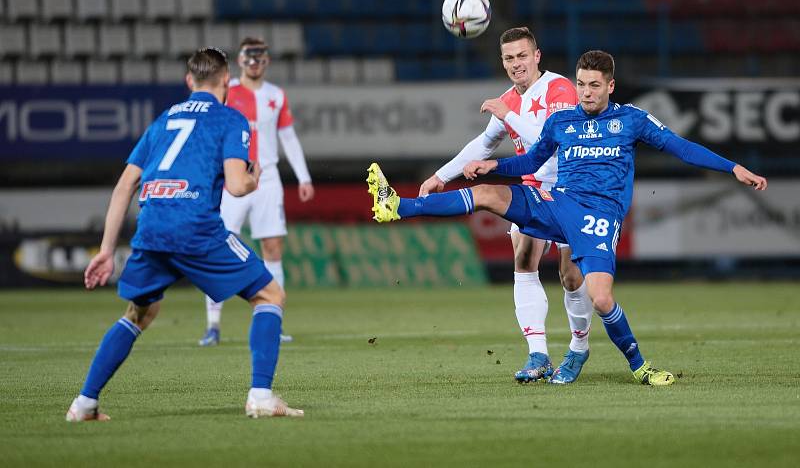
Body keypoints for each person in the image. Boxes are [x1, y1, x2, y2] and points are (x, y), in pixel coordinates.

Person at [368, 50, 767, 386]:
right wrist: (492, 165)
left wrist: (733, 168)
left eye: (594, 85)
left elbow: (681, 147)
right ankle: (397, 206)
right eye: (581, 83)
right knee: (487, 195)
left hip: (599, 217)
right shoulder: (562, 122)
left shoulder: (631, 120)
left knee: (600, 297)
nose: (586, 91)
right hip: (558, 202)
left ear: (610, 86)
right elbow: (531, 161)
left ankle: (639, 366)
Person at [67, 47, 303, 420]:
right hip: (194, 227)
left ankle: (84, 404)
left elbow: (125, 185)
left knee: (138, 313)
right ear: (227, 80)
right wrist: (255, 178)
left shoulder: (161, 122)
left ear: (189, 81)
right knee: (270, 294)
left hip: (152, 229)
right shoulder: (230, 119)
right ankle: (260, 395)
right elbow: (238, 186)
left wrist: (106, 250)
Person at [417, 27, 593, 384]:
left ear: (537, 56)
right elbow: (482, 144)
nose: (516, 65)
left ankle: (579, 347)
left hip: (571, 188)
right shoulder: (507, 101)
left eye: (522, 56)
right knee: (524, 259)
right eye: (509, 58)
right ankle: (538, 355)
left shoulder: (559, 89)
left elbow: (549, 142)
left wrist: (506, 115)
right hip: (532, 188)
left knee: (571, 275)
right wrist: (441, 176)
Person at [199, 37, 314, 347]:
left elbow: (288, 138)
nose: (254, 63)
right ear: (240, 61)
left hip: (268, 178)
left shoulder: (276, 95)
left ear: (266, 61)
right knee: (217, 246)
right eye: (250, 57)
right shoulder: (227, 92)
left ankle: (273, 322)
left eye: (260, 57)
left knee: (273, 248)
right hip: (234, 176)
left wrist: (303, 177)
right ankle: (212, 325)